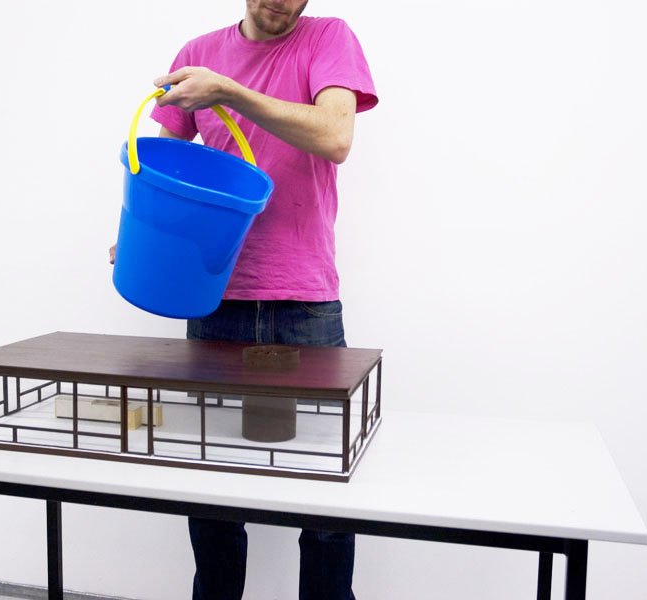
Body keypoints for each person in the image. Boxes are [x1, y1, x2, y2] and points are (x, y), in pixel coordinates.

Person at [110, 2, 376, 598]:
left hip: (304, 302)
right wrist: (142, 231)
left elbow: (335, 137)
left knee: (325, 493)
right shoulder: (197, 54)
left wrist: (228, 91)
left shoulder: (328, 39)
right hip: (213, 296)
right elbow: (164, 170)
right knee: (212, 494)